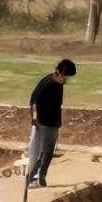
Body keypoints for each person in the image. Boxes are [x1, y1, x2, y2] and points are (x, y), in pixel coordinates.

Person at [26, 59, 76, 188]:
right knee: (45, 152)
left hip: (53, 121)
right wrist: (35, 118)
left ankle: (37, 178)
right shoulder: (48, 83)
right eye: (66, 77)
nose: (66, 80)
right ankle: (36, 178)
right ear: (60, 72)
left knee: (46, 152)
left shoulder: (57, 83)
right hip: (46, 122)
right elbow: (34, 100)